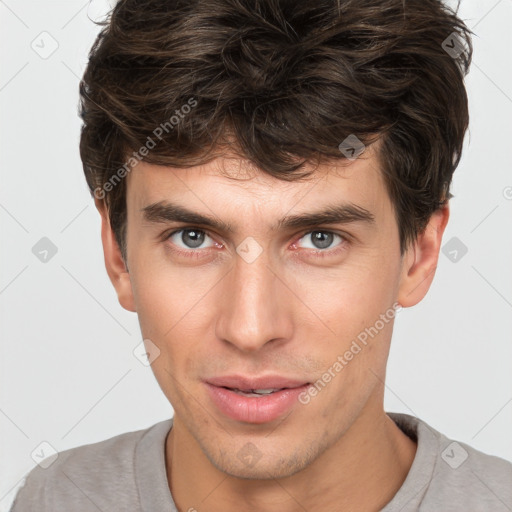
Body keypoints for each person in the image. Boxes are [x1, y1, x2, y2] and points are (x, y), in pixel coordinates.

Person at [10, 0, 512, 510]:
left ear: (420, 255)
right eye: (192, 237)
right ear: (118, 255)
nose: (250, 329)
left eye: (320, 238)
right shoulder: (56, 498)